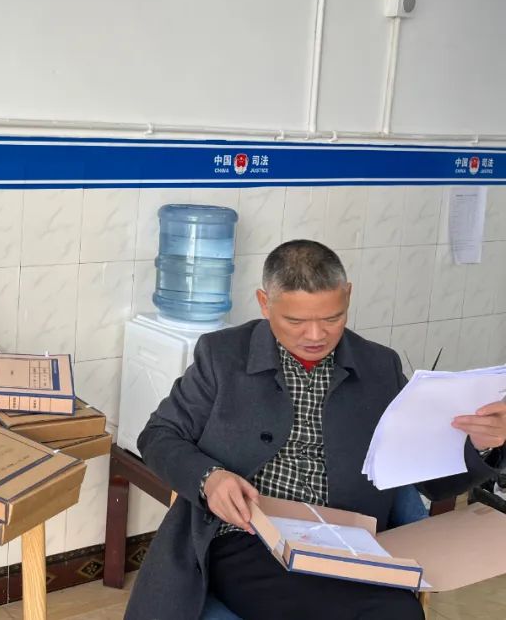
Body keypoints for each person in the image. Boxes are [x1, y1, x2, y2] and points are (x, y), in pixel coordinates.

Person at [125, 239, 506, 620]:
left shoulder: (379, 368)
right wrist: (210, 479)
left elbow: (429, 479)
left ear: (348, 296)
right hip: (247, 536)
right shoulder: (222, 356)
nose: (315, 336)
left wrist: (478, 444)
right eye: (295, 321)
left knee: (399, 613)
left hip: (349, 541)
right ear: (264, 303)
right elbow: (158, 435)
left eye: (332, 318)